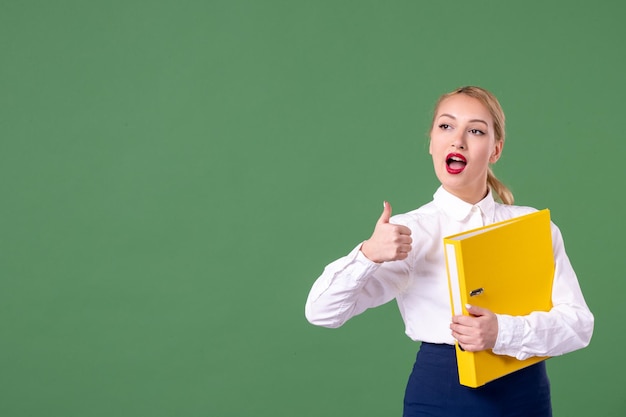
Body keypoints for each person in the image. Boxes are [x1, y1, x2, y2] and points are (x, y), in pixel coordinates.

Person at [304, 86, 594, 417]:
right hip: (442, 394)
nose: (458, 140)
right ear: (431, 143)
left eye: (475, 130)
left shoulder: (532, 226)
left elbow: (578, 325)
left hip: (526, 395)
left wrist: (501, 332)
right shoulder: (410, 233)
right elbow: (322, 313)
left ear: (495, 149)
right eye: (446, 126)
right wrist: (367, 254)